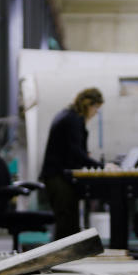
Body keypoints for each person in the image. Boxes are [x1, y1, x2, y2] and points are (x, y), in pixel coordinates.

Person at [40, 87, 105, 240]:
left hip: (58, 176)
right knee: (66, 225)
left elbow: (73, 150)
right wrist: (101, 166)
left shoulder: (69, 116)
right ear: (88, 104)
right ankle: (61, 261)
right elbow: (76, 152)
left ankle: (66, 260)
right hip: (58, 177)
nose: (96, 112)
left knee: (69, 224)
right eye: (96, 108)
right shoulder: (72, 119)